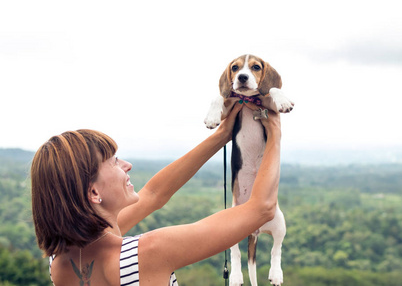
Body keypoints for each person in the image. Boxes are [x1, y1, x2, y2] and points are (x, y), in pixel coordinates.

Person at [31, 102, 281, 286]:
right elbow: (262, 209)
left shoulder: (60, 262)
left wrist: (222, 136)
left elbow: (153, 194)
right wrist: (275, 130)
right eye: (114, 161)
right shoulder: (148, 253)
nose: (126, 165)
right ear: (94, 191)